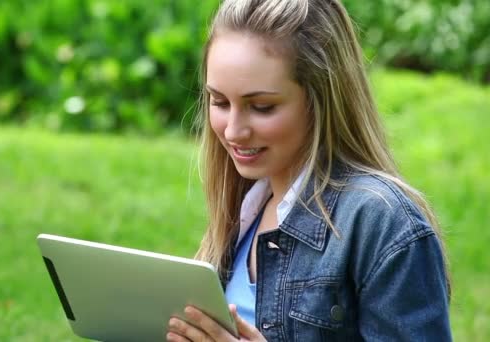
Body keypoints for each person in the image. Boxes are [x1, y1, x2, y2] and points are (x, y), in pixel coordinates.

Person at [165, 0, 452, 341]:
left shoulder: (381, 222)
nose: (232, 131)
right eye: (220, 102)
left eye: (262, 107)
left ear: (322, 99)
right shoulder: (245, 210)